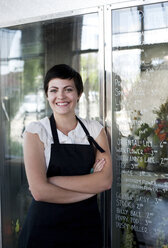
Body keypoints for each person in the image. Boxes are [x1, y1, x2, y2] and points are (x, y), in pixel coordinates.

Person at [18, 64, 112, 248]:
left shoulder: (94, 130)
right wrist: (90, 188)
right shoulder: (36, 131)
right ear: (47, 95)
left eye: (68, 89)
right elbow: (38, 191)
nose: (61, 96)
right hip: (44, 230)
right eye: (54, 90)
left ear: (79, 94)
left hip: (86, 228)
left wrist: (52, 181)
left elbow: (105, 182)